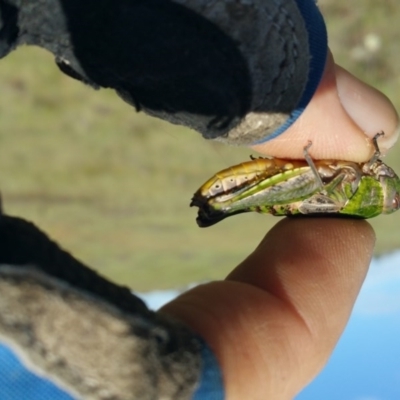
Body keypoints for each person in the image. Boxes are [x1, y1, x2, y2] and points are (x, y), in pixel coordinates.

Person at [0, 0, 398, 399]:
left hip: (297, 187)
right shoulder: (365, 190)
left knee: (252, 192)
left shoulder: (361, 195)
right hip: (303, 180)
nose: (390, 182)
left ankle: (217, 204)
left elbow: (328, 184)